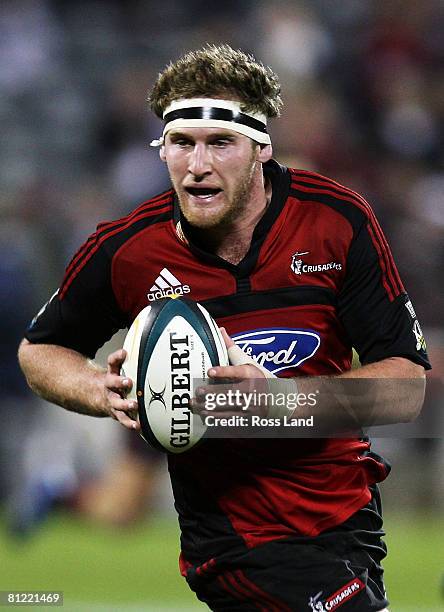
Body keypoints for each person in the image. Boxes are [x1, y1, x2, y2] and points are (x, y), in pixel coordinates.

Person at [18, 45, 430, 611]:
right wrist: (98, 389)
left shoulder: (337, 221)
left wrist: (277, 400)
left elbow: (406, 388)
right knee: (122, 508)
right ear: (161, 149)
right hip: (238, 543)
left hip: (349, 519)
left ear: (261, 148)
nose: (197, 165)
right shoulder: (127, 249)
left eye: (219, 143)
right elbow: (40, 349)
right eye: (181, 143)